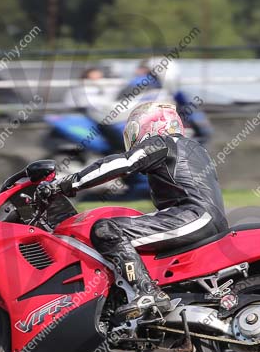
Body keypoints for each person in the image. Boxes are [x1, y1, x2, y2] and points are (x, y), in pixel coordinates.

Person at [58, 102, 228, 319]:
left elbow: (123, 163)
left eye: (134, 130)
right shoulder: (195, 148)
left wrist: (71, 182)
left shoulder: (163, 142)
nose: (132, 137)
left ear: (151, 125)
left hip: (191, 217)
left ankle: (147, 293)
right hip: (206, 219)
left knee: (107, 229)